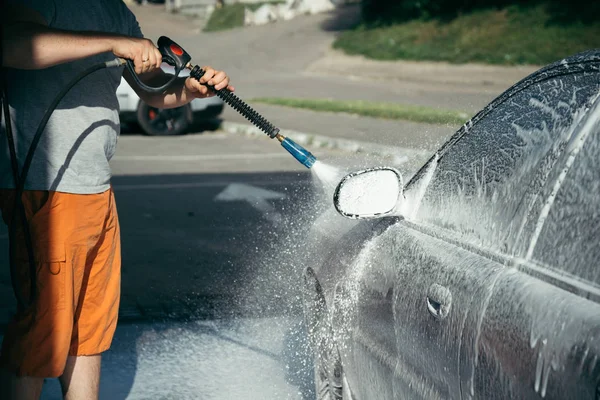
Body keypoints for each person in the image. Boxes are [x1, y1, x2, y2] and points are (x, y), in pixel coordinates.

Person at [0, 1, 234, 399]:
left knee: (90, 328)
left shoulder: (116, 11)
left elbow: (154, 92)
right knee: (44, 332)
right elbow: (16, 45)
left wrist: (190, 90)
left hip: (94, 187)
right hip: (45, 184)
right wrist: (115, 42)